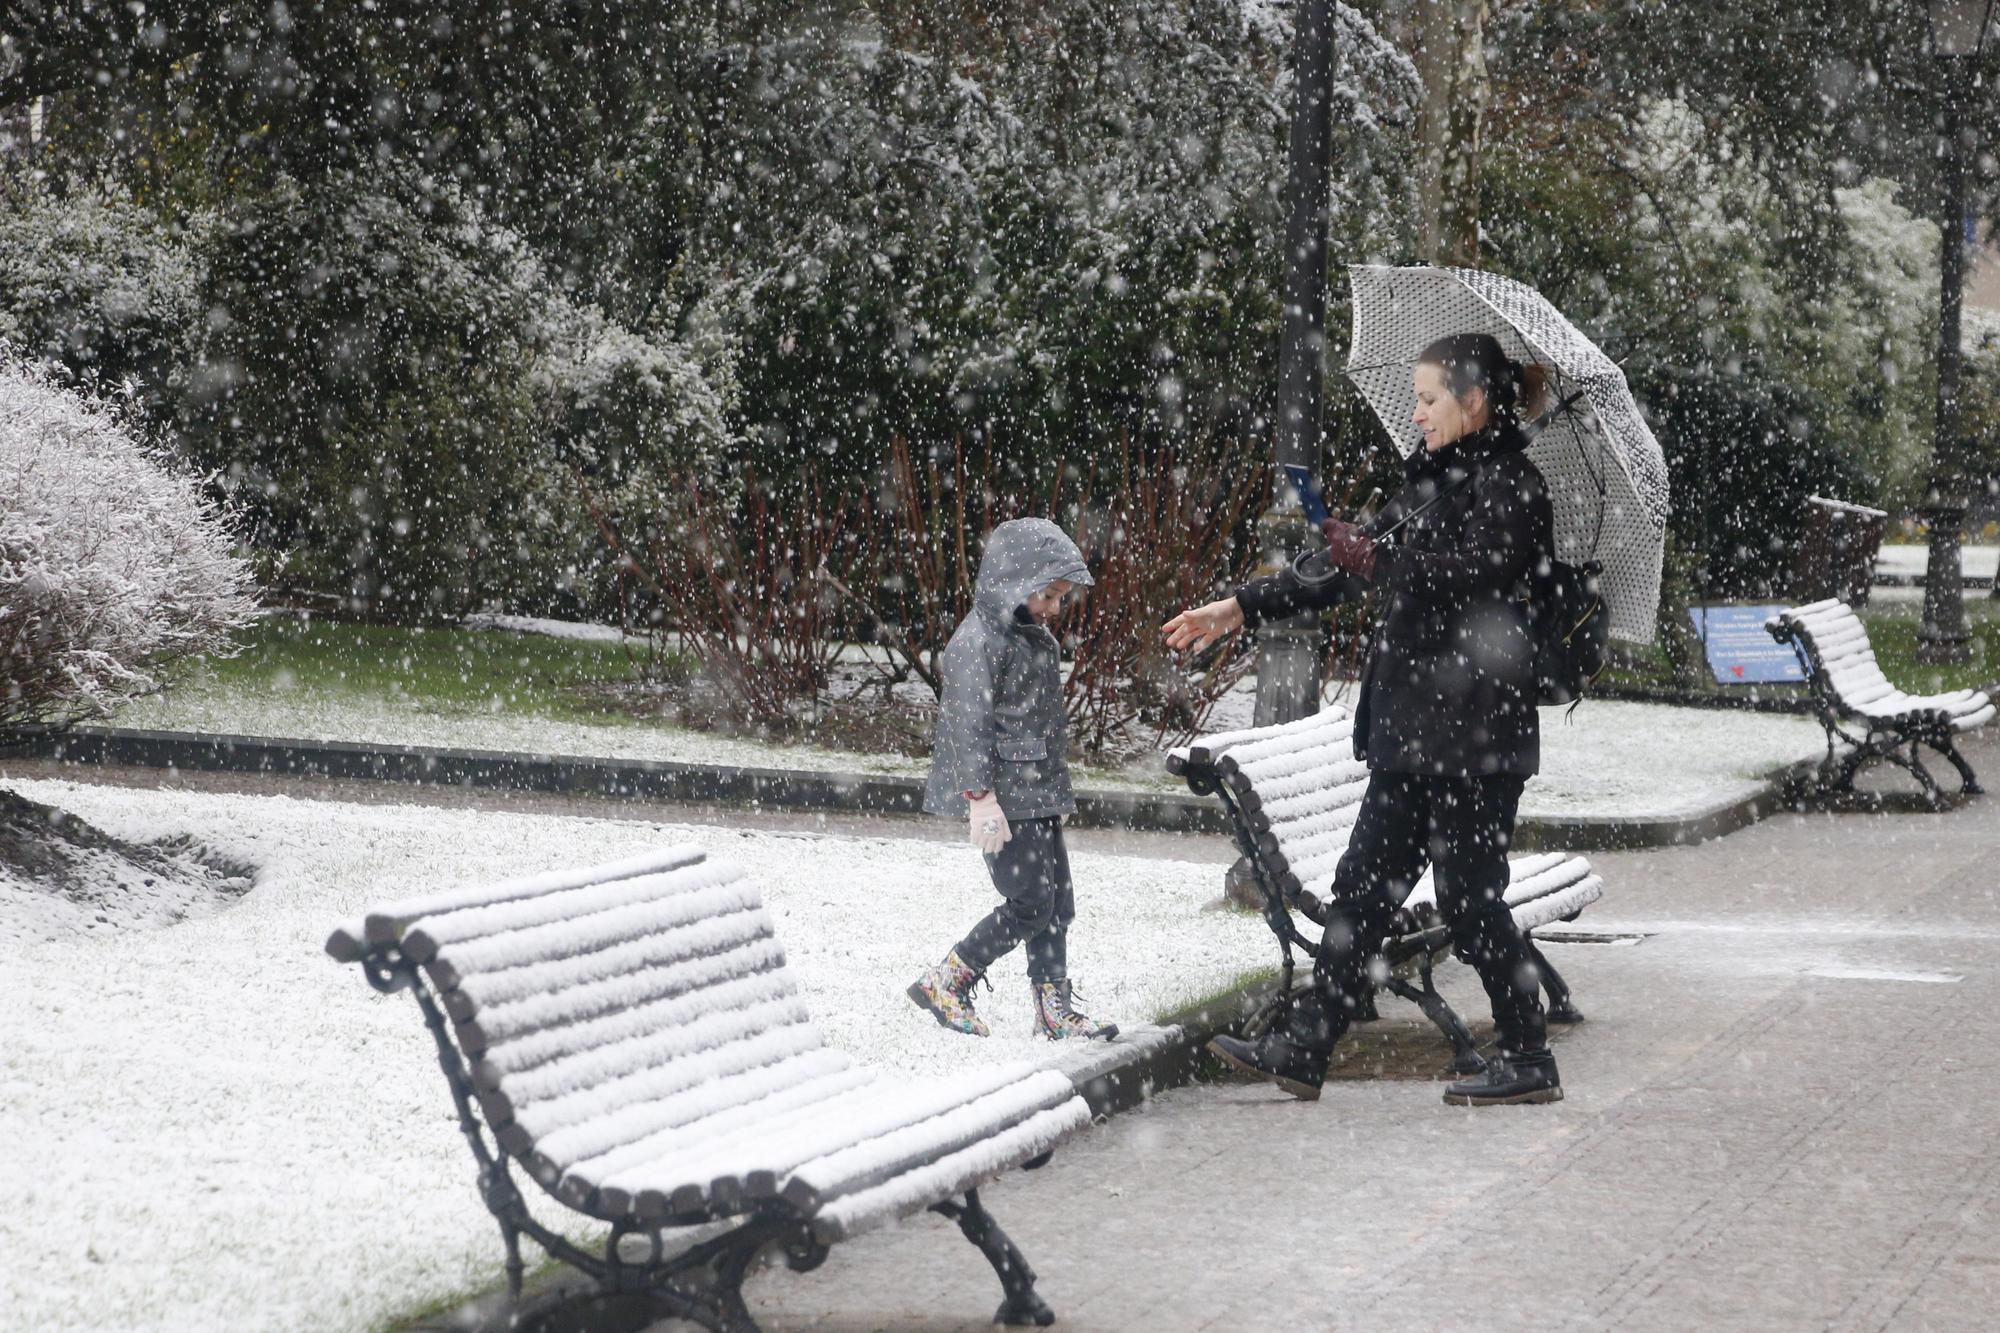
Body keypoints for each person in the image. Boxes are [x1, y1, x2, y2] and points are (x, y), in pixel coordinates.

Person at [1162, 332, 1560, 1106]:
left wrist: (1376, 560)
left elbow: (1472, 578)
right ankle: (1304, 1046)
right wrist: (1241, 605)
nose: (1415, 414)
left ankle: (1527, 1055)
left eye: (1429, 399)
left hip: (1477, 740)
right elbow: (1345, 567)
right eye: (1415, 398)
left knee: (1472, 900)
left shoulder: (1514, 487)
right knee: (1363, 890)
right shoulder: (1432, 481)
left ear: (1474, 399)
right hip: (1414, 737)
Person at [908, 517, 1120, 1042]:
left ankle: (1053, 1010)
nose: (1053, 607)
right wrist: (980, 797)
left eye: (1059, 597)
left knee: (1056, 903)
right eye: (1047, 593)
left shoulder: (1029, 637)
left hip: (1035, 793)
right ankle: (946, 980)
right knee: (1029, 902)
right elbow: (968, 723)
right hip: (1003, 797)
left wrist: (1051, 789)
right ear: (1011, 582)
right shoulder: (977, 643)